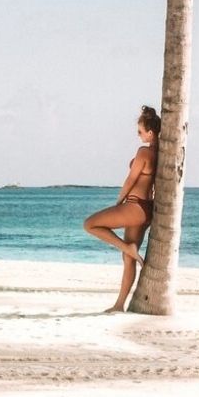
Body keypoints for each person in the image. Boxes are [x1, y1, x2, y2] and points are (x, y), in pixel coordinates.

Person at [83, 105, 160, 312]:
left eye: (140, 131)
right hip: (146, 211)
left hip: (135, 206)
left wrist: (119, 203)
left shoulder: (144, 152)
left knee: (90, 224)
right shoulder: (159, 153)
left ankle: (128, 248)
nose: (138, 135)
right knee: (128, 261)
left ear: (150, 133)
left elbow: (130, 180)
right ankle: (119, 305)